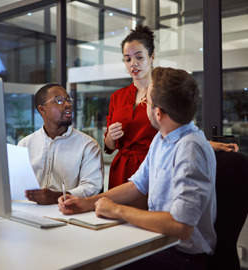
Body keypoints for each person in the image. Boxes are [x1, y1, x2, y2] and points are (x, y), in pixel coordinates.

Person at [59, 67, 217, 270]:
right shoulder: (162, 139)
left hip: (183, 257)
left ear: (158, 113)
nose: (143, 104)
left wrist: (117, 210)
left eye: (147, 102)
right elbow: (138, 184)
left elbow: (181, 226)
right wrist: (88, 202)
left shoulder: (190, 149)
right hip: (160, 244)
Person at [104, 24, 238, 190]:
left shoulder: (163, 92)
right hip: (121, 170)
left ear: (152, 56)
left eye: (139, 57)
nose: (133, 64)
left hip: (155, 165)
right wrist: (110, 138)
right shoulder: (117, 97)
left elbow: (181, 132)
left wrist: (208, 144)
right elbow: (109, 146)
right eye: (128, 59)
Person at [18, 83, 104, 205]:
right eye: (59, 100)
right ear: (42, 110)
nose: (67, 104)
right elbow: (17, 183)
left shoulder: (88, 145)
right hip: (29, 209)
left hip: (69, 212)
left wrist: (56, 197)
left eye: (68, 100)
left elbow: (92, 187)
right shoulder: (25, 144)